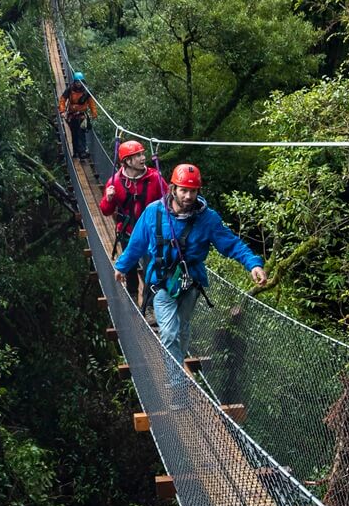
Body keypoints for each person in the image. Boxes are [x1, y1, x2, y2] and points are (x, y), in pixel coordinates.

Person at [113, 163, 267, 386]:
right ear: (173, 189)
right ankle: (178, 383)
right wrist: (122, 266)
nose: (188, 196)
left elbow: (231, 243)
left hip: (190, 281)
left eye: (192, 191)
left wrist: (253, 264)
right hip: (161, 282)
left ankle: (178, 360)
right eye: (183, 190)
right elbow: (137, 243)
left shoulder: (208, 219)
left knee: (183, 328)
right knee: (169, 332)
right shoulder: (154, 212)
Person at [99, 140, 165, 311]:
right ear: (127, 161)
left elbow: (167, 202)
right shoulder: (115, 182)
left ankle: (149, 304)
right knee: (130, 266)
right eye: (138, 155)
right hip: (128, 231)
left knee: (152, 267)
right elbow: (105, 211)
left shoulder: (154, 178)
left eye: (142, 154)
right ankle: (133, 295)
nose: (143, 158)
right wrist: (109, 198)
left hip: (151, 233)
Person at [58, 72, 97, 160]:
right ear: (75, 82)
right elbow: (62, 100)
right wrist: (62, 111)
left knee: (81, 133)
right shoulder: (70, 89)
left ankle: (82, 152)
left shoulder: (86, 92)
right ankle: (76, 152)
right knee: (74, 133)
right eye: (77, 82)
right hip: (72, 116)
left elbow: (91, 103)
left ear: (82, 81)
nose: (78, 84)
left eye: (80, 82)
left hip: (82, 116)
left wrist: (94, 113)